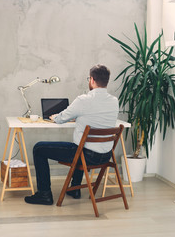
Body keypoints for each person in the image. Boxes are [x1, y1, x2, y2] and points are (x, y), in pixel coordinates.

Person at [25, 64, 119, 205]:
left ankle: (44, 194)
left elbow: (61, 118)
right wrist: (80, 117)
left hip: (86, 156)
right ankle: (74, 189)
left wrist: (54, 117)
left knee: (39, 148)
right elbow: (97, 118)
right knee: (80, 144)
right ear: (106, 81)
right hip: (106, 156)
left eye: (89, 78)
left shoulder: (83, 100)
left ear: (92, 80)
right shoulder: (114, 101)